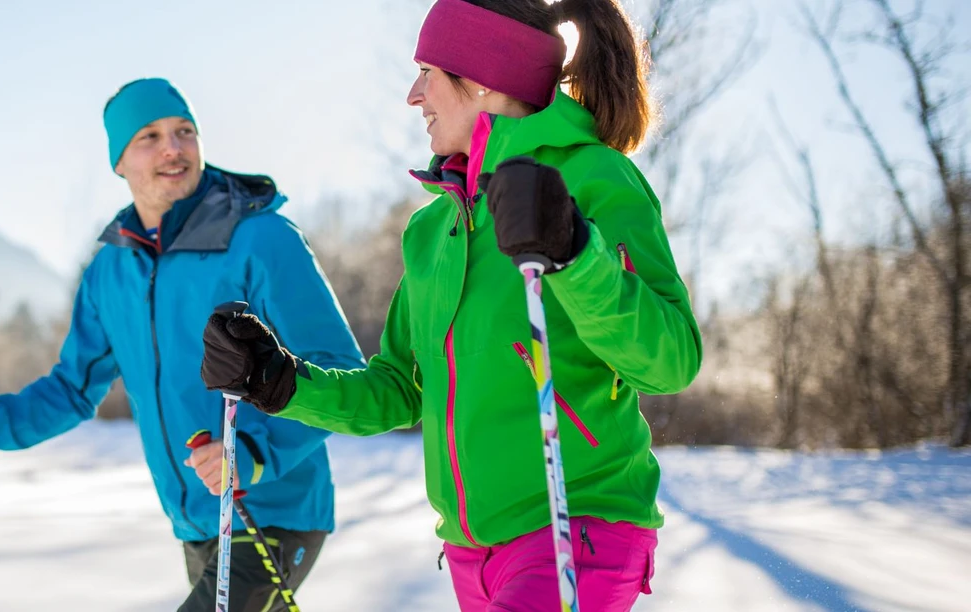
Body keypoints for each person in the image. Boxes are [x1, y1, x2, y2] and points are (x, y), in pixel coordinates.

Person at [197, 1, 702, 610]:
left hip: (579, 529)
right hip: (471, 553)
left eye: (427, 73)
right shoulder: (434, 229)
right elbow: (400, 389)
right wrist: (280, 381)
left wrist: (576, 253)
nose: (414, 96)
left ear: (484, 76)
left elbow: (669, 360)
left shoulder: (594, 179)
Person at [0, 77, 364, 611]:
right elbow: (71, 389)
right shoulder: (110, 272)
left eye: (184, 131)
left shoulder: (262, 239)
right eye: (149, 137)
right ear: (119, 163)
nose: (173, 148)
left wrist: (251, 454)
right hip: (196, 522)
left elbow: (339, 369)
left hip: (271, 509)